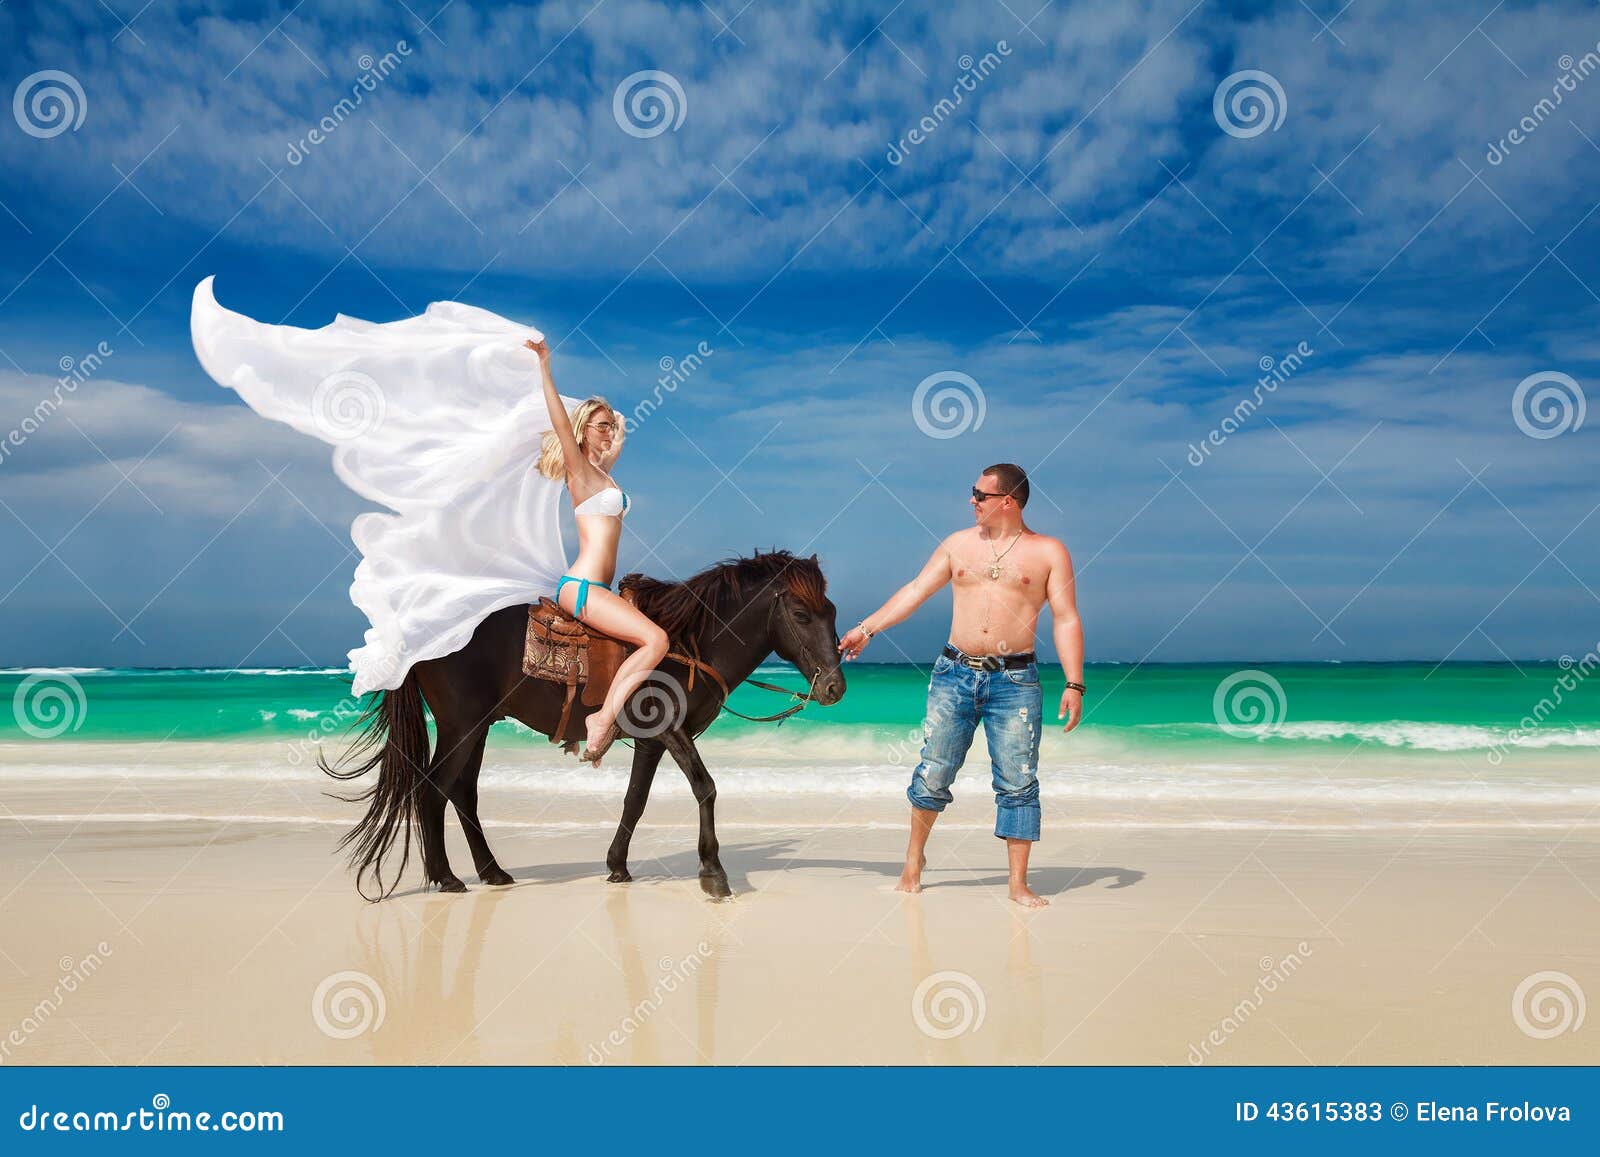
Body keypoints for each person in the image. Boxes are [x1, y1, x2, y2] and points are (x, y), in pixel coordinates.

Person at [837, 463, 1084, 907]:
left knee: (1018, 782)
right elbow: (915, 591)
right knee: (933, 773)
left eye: (980, 495)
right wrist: (866, 629)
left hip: (1015, 680)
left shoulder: (1048, 551)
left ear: (1007, 501)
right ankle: (913, 863)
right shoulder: (957, 544)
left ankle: (1017, 884)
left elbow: (1066, 618)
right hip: (954, 673)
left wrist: (1075, 683)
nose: (972, 500)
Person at [526, 337, 668, 764]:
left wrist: (615, 436)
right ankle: (602, 719)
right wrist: (545, 368)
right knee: (655, 640)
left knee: (653, 637)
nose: (609, 432)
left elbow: (610, 455)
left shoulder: (602, 477)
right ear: (583, 430)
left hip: (596, 587)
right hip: (583, 585)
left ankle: (594, 714)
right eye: (601, 426)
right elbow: (559, 420)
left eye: (611, 425)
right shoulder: (580, 470)